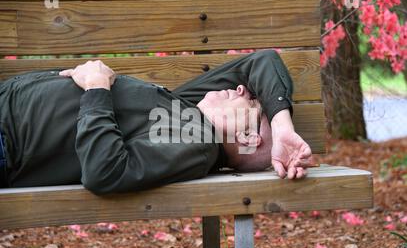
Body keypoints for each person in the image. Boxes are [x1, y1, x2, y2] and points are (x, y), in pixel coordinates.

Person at [0, 50, 312, 195]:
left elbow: (105, 172)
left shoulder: (196, 141)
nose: (242, 86)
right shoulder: (190, 114)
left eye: (250, 102)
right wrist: (283, 127)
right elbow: (261, 61)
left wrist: (96, 87)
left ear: (247, 137)